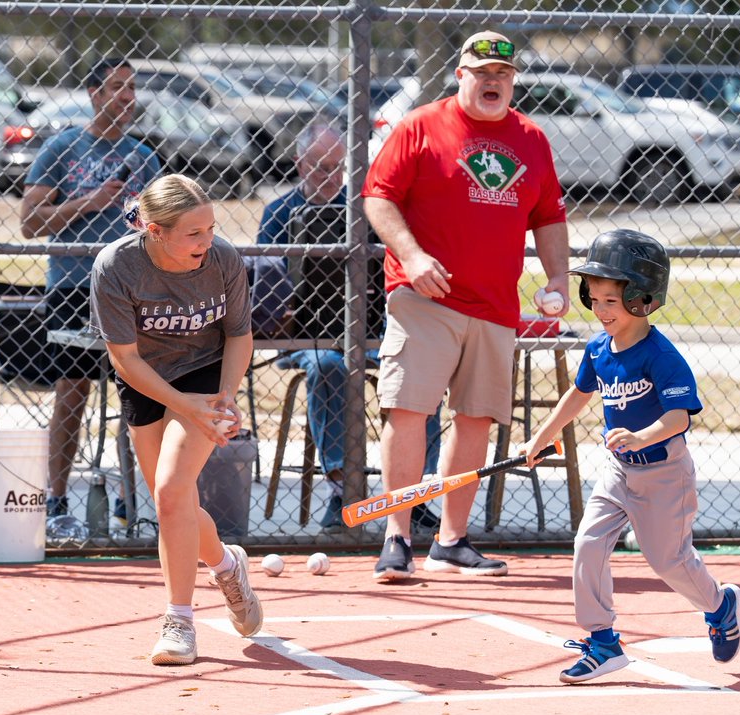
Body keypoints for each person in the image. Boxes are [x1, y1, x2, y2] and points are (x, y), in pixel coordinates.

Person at [361, 30, 571, 581]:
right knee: (408, 410)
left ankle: (451, 541)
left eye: (502, 74)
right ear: (461, 75)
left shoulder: (530, 137)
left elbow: (549, 216)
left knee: (475, 419)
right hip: (424, 295)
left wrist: (557, 277)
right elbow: (378, 196)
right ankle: (397, 536)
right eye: (482, 73)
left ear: (512, 80)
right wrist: (412, 255)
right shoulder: (422, 125)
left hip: (495, 304)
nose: (492, 82)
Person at [523, 229, 740, 683]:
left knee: (668, 562)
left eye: (611, 301)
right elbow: (578, 395)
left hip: (664, 473)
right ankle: (603, 642)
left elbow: (679, 417)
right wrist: (540, 436)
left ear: (643, 298)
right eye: (595, 299)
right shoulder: (599, 349)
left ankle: (720, 606)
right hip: (618, 471)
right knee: (588, 543)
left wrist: (642, 436)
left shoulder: (660, 355)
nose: (601, 311)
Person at [89, 173, 263, 666]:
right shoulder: (117, 267)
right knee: (174, 505)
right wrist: (179, 404)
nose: (206, 242)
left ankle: (178, 622)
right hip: (146, 378)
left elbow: (238, 336)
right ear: (154, 230)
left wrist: (224, 397)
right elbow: (125, 359)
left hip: (204, 373)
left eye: (210, 228)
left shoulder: (224, 258)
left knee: (169, 493)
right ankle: (228, 566)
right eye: (194, 233)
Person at [257, 122, 442, 533]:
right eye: (320, 167)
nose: (330, 177)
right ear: (299, 163)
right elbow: (266, 284)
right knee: (327, 366)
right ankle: (343, 485)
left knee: (419, 370)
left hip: (371, 327)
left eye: (338, 168)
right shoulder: (280, 211)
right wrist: (282, 309)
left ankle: (417, 490)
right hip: (305, 333)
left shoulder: (366, 209)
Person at [20, 56, 162, 528]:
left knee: (136, 387)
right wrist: (89, 203)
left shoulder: (144, 157)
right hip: (73, 284)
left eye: (131, 88)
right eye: (118, 87)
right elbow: (30, 222)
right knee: (72, 391)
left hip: (129, 288)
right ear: (94, 94)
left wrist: (137, 220)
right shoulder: (63, 149)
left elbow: (158, 225)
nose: (127, 97)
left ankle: (129, 500)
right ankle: (55, 500)